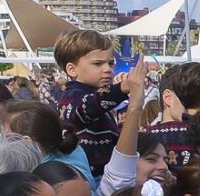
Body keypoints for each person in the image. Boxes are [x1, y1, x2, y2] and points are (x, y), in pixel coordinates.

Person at [53, 29, 140, 175]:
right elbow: (87, 107)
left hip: (104, 173)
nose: (107, 69)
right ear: (72, 69)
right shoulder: (71, 97)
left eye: (110, 63)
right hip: (88, 176)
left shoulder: (96, 95)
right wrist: (121, 89)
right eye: (98, 63)